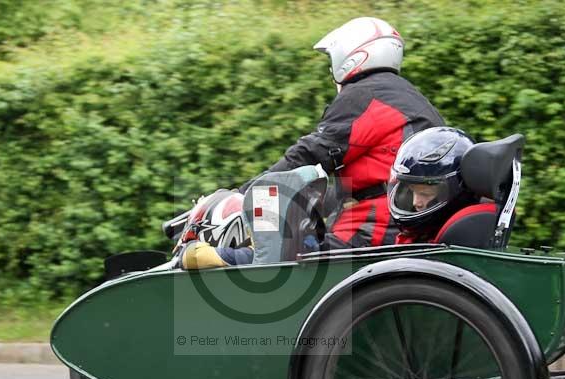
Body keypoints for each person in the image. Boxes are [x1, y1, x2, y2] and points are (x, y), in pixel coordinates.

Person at [182, 16, 445, 268]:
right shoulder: (410, 97)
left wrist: (242, 195)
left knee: (295, 261)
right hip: (408, 222)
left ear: (351, 56)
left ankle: (227, 259)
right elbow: (353, 181)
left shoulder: (364, 96)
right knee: (298, 234)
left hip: (375, 228)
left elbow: (310, 154)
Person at [387, 126, 483, 244]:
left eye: (425, 194)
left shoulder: (463, 239)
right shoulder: (416, 237)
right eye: (411, 191)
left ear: (458, 191)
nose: (416, 203)